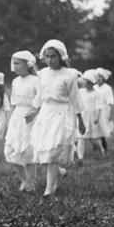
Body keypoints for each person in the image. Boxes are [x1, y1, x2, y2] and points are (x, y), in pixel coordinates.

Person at [26, 40, 85, 196]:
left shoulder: (69, 74)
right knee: (45, 149)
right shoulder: (43, 73)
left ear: (61, 57)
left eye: (53, 56)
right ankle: (60, 173)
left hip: (62, 113)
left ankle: (48, 189)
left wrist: (80, 119)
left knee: (53, 151)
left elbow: (75, 97)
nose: (50, 60)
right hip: (46, 112)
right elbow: (40, 95)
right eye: (47, 56)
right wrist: (33, 110)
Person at [4, 51, 39, 192]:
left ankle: (31, 182)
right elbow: (13, 103)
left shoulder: (36, 80)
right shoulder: (15, 81)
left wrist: (34, 112)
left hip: (31, 117)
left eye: (18, 63)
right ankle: (24, 179)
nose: (15, 66)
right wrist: (9, 121)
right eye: (14, 63)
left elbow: (41, 101)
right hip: (17, 117)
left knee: (28, 152)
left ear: (28, 64)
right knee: (12, 150)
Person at [77, 69, 105, 163]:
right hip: (83, 118)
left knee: (94, 140)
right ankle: (80, 157)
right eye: (84, 81)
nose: (84, 83)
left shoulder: (96, 93)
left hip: (92, 118)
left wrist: (97, 116)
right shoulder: (81, 92)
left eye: (86, 82)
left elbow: (98, 106)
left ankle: (101, 149)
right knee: (81, 137)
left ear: (91, 83)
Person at [96, 67, 114, 152]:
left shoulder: (107, 88)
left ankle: (104, 147)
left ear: (103, 78)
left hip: (103, 110)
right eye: (97, 77)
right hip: (95, 110)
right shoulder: (94, 87)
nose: (99, 79)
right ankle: (96, 146)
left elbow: (109, 102)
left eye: (101, 77)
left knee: (102, 129)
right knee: (95, 129)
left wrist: (109, 112)